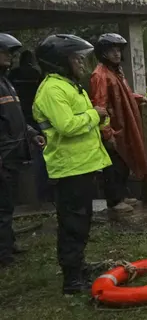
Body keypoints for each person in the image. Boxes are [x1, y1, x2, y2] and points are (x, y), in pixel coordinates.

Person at [33, 34, 111, 294]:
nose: (80, 62)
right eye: (75, 57)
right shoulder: (52, 90)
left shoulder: (69, 86)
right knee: (72, 223)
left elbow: (83, 120)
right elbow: (67, 126)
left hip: (83, 165)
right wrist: (93, 114)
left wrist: (100, 119)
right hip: (69, 168)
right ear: (59, 61)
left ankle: (79, 265)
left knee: (82, 220)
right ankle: (72, 279)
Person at [89, 33, 147, 213]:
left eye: (118, 50)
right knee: (113, 165)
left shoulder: (115, 72)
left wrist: (139, 98)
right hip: (114, 127)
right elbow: (100, 104)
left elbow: (123, 94)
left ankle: (121, 196)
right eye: (111, 51)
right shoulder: (99, 75)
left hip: (123, 126)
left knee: (123, 163)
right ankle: (114, 201)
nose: (116, 54)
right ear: (103, 53)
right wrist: (106, 132)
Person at [0, 34, 46, 268]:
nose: (9, 56)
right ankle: (3, 254)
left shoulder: (7, 82)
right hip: (3, 156)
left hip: (13, 154)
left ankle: (8, 245)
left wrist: (30, 133)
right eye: (5, 52)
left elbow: (16, 117)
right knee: (2, 206)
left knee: (7, 204)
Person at [8, 50, 50, 203]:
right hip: (35, 120)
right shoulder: (37, 74)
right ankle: (43, 197)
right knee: (40, 157)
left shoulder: (12, 75)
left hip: (17, 119)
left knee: (18, 161)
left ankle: (23, 199)